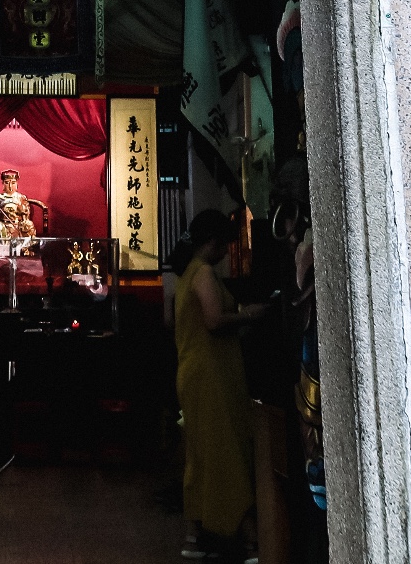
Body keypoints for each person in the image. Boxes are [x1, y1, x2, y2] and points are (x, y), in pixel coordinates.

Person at [175, 209, 270, 564]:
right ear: (213, 243)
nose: (228, 253)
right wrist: (248, 315)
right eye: (226, 245)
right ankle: (251, 542)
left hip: (195, 371)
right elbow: (214, 321)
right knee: (226, 452)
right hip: (211, 374)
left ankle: (194, 536)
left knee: (202, 455)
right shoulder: (203, 273)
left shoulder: (187, 273)